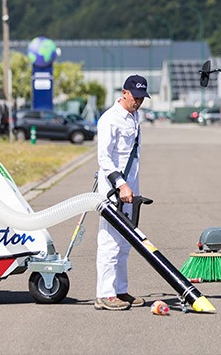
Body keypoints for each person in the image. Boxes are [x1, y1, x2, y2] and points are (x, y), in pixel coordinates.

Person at [95, 74, 150, 311]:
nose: (138, 102)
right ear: (124, 93)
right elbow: (104, 157)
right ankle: (105, 294)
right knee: (109, 241)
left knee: (125, 242)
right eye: (135, 97)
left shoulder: (134, 116)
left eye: (142, 98)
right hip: (113, 188)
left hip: (130, 187)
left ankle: (120, 290)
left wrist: (131, 186)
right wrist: (120, 184)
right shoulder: (110, 119)